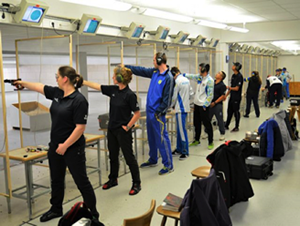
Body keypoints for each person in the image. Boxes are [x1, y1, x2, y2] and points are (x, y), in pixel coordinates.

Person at [14, 66, 104, 225]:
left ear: (65, 79)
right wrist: (21, 83)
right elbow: (39, 87)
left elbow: (80, 128)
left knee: (81, 181)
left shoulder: (79, 100)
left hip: (72, 148)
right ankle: (56, 208)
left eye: (57, 76)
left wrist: (65, 146)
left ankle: (93, 213)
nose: (55, 78)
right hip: (55, 145)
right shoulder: (57, 93)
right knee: (56, 179)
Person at [83, 66, 141, 195]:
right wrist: (83, 82)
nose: (112, 78)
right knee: (113, 156)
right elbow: (97, 86)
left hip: (123, 131)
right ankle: (113, 179)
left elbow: (137, 114)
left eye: (114, 76)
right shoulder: (114, 90)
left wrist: (127, 126)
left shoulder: (130, 95)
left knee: (128, 157)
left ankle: (136, 183)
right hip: (112, 129)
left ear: (120, 78)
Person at [125, 52, 174, 175]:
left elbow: (167, 100)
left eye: (153, 60)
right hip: (150, 111)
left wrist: (159, 112)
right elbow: (141, 70)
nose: (153, 62)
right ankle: (153, 159)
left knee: (162, 139)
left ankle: (168, 165)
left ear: (159, 60)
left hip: (157, 113)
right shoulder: (155, 72)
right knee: (151, 137)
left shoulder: (168, 78)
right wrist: (127, 67)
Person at [184, 63, 214, 150]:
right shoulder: (200, 77)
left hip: (203, 106)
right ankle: (197, 139)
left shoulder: (209, 81)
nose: (199, 70)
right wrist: (183, 75)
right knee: (196, 123)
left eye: (200, 69)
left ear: (204, 70)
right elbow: (192, 76)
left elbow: (210, 95)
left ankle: (210, 141)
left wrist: (206, 104)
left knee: (207, 124)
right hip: (196, 104)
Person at [170, 66, 192, 160]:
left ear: (174, 74)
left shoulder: (177, 82)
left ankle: (185, 151)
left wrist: (171, 105)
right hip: (185, 108)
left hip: (180, 109)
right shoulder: (186, 80)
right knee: (180, 130)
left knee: (182, 131)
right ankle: (179, 149)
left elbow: (174, 96)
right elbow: (191, 93)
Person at [207, 71, 227, 141]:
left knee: (219, 119)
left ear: (221, 77)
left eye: (219, 73)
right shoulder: (212, 83)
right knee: (208, 119)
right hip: (210, 103)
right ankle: (207, 132)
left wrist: (215, 102)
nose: (217, 73)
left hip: (217, 104)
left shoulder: (222, 85)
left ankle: (222, 133)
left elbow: (222, 96)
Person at [225, 62, 244, 132]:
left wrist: (229, 88)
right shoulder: (233, 75)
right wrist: (226, 95)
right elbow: (232, 87)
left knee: (236, 112)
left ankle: (236, 126)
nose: (232, 66)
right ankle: (226, 125)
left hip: (237, 97)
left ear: (236, 68)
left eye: (234, 65)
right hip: (232, 97)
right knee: (229, 111)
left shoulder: (239, 76)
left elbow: (236, 88)